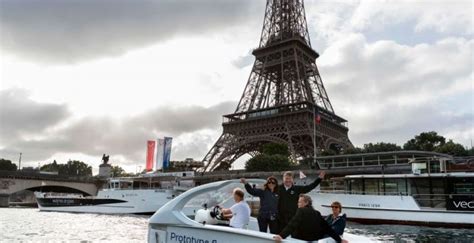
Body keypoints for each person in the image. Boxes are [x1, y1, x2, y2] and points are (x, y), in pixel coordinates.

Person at [273, 194, 348, 243]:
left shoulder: (301, 210)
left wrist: (281, 235)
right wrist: (340, 240)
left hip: (300, 240)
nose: (297, 204)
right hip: (314, 240)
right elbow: (327, 228)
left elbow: (293, 224)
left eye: (299, 202)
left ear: (306, 203)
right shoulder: (317, 213)